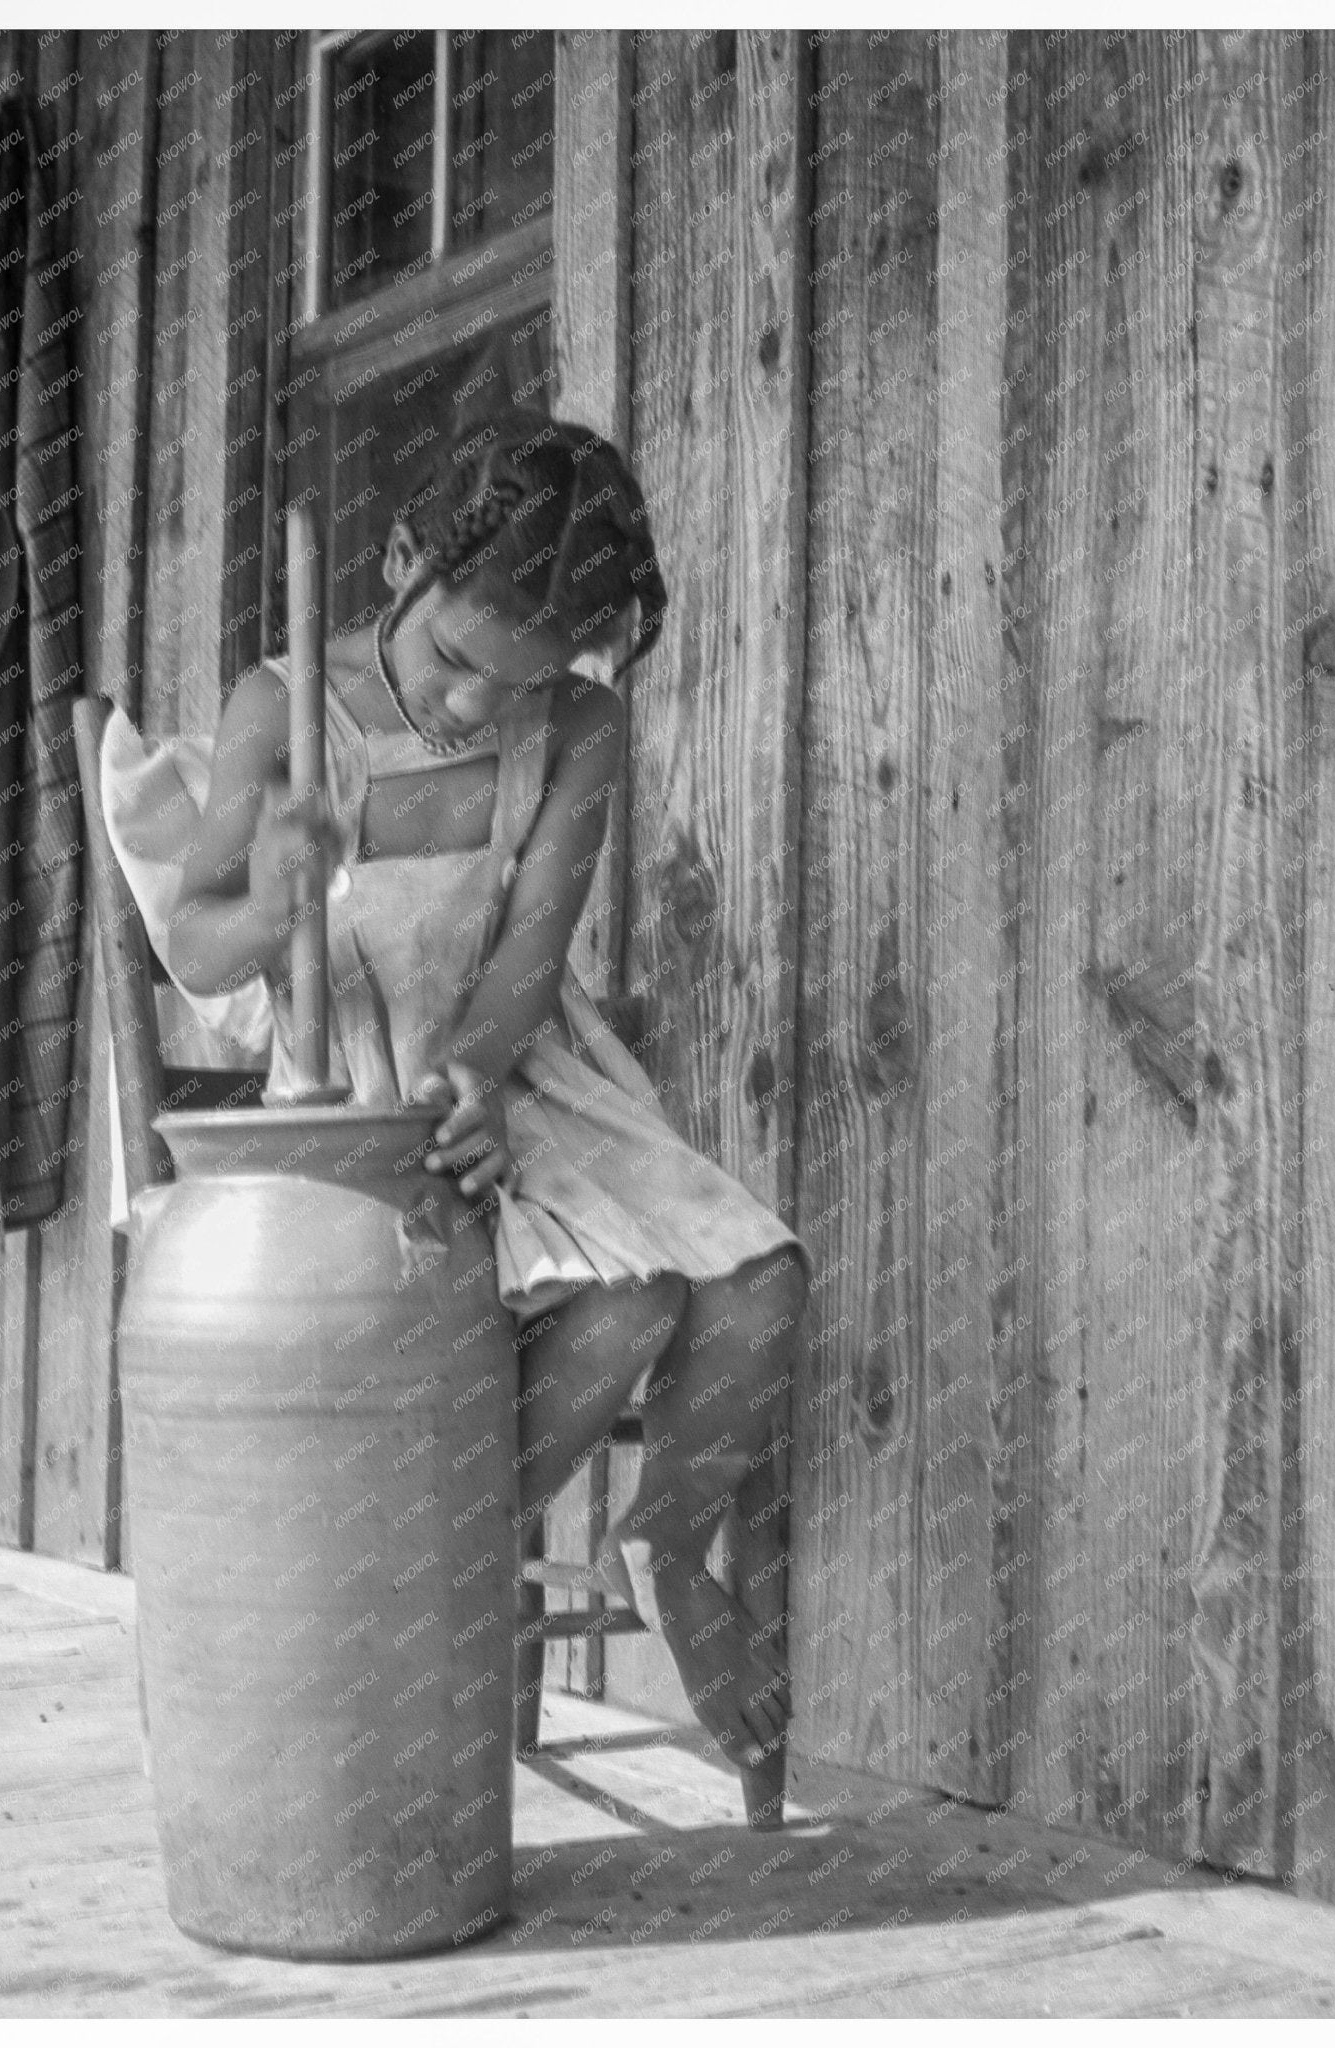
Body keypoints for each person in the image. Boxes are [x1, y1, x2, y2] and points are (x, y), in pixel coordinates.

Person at [116, 405, 812, 1826]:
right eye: (451, 661)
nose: (473, 708)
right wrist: (281, 884)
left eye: (524, 678)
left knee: (758, 1282)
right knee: (618, 1314)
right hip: (356, 1098)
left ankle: (668, 1548)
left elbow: (528, 962)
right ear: (400, 565)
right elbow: (195, 956)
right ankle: (423, 1580)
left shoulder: (582, 730)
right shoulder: (281, 707)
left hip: (513, 1073)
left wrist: (485, 1079)